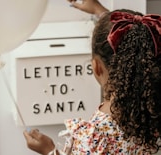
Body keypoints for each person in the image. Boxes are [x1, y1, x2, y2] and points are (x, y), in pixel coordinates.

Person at [23, 0, 161, 154]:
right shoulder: (154, 109)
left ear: (96, 67)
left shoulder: (96, 136)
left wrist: (50, 150)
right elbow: (133, 41)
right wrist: (99, 11)